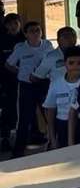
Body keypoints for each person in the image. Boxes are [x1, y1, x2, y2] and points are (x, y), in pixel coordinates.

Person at [5, 21, 54, 157]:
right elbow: (8, 64)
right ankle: (18, 151)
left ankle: (55, 144)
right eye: (32, 31)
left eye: (38, 30)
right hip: (27, 86)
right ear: (26, 34)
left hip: (44, 84)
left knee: (49, 115)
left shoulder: (47, 45)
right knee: (24, 119)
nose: (35, 33)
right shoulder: (21, 48)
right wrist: (21, 73)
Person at [43, 46, 80, 149]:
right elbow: (50, 111)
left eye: (79, 63)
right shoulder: (56, 83)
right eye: (71, 63)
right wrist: (53, 139)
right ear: (65, 63)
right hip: (62, 125)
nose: (75, 66)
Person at [0, 13, 25, 151]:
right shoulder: (2, 40)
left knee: (24, 109)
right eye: (10, 24)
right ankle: (5, 137)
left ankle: (29, 134)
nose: (13, 26)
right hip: (6, 80)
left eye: (15, 23)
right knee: (8, 109)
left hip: (25, 81)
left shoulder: (25, 39)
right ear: (6, 26)